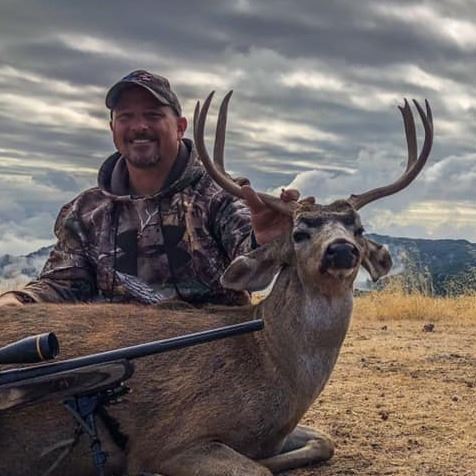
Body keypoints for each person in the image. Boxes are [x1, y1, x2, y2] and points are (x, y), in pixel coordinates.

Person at [0, 70, 295, 307]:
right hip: (114, 354)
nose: (139, 126)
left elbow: (252, 265)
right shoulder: (86, 212)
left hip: (214, 353)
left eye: (153, 115)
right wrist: (19, 301)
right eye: (125, 117)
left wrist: (265, 241)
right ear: (112, 128)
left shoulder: (220, 196)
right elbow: (63, 283)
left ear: (180, 127)